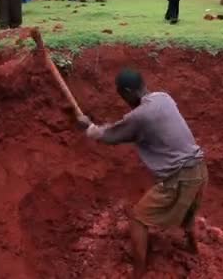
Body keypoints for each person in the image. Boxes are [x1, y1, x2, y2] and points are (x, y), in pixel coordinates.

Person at [77, 69, 208, 279]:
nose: (124, 100)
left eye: (122, 95)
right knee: (188, 210)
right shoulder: (164, 98)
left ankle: (138, 272)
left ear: (128, 92)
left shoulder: (140, 116)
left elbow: (111, 135)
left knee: (138, 219)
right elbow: (134, 129)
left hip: (181, 177)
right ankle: (193, 247)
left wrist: (89, 128)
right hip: (200, 170)